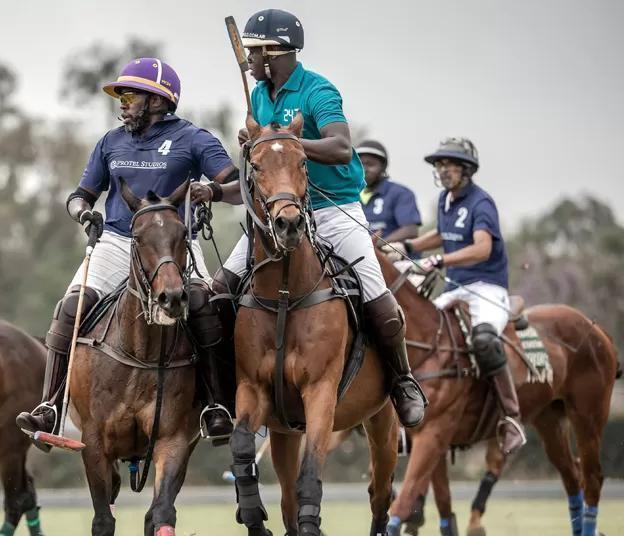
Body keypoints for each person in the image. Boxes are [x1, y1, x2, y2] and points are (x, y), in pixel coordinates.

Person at [15, 58, 242, 443]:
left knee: (204, 304)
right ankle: (51, 406)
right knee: (70, 307)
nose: (122, 102)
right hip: (119, 241)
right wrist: (83, 213)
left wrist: (212, 190)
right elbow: (80, 195)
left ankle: (215, 405)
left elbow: (240, 188)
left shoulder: (194, 139)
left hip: (173, 245)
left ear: (158, 100)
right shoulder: (111, 142)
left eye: (130, 94)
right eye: (121, 95)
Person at [219, 8, 426, 428]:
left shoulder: (318, 90)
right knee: (218, 292)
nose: (250, 61)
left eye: (255, 53)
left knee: (380, 302)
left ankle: (402, 381)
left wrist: (286, 141)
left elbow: (341, 147)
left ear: (274, 53)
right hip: (276, 215)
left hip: (335, 210)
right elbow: (264, 161)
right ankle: (223, 389)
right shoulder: (259, 96)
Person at [389, 137, 525, 454]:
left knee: (484, 340)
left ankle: (512, 418)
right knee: (410, 330)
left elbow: (482, 248)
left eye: (449, 164)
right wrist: (407, 247)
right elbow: (442, 234)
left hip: (486, 287)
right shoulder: (445, 199)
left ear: (466, 169)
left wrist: (440, 260)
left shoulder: (481, 203)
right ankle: (408, 416)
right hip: (455, 287)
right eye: (439, 165)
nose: (442, 170)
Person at [356, 140, 421, 244]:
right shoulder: (349, 195)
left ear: (383, 167)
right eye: (360, 164)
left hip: (390, 252)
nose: (364, 169)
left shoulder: (400, 193)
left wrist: (377, 245)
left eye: (370, 164)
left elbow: (411, 230)